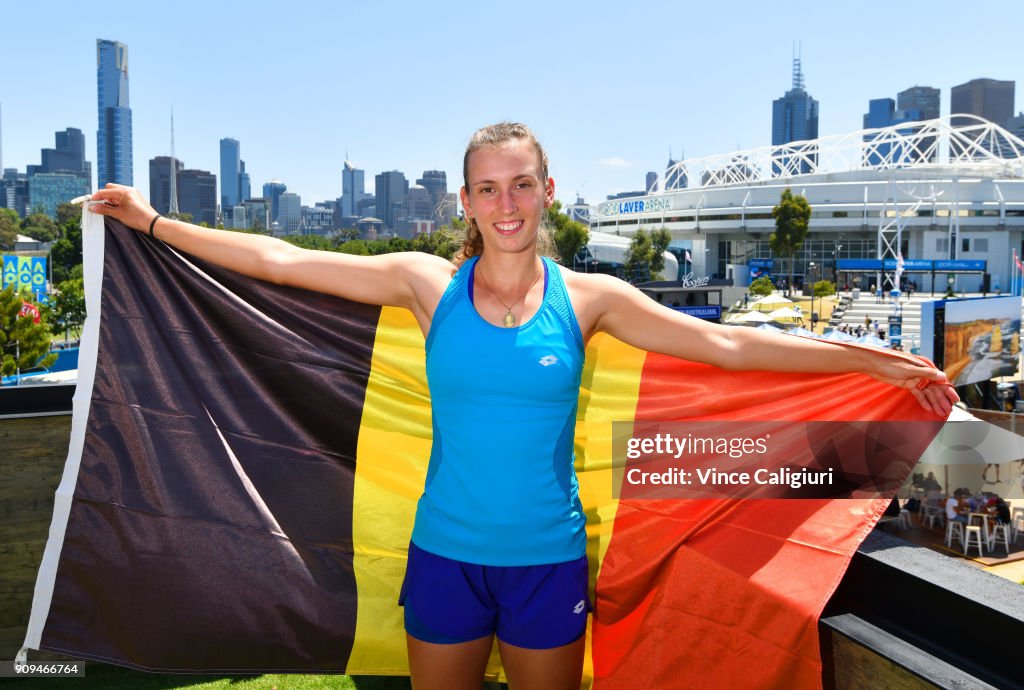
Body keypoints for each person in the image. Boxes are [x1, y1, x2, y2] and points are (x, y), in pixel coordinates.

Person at [85, 122, 958, 690]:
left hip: (547, 562)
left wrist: (870, 360)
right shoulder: (426, 285)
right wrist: (157, 224)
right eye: (488, 188)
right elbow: (276, 259)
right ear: (465, 202)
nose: (506, 204)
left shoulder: (589, 300)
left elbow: (730, 344)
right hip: (445, 558)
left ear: (547, 193)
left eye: (522, 184)